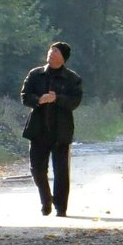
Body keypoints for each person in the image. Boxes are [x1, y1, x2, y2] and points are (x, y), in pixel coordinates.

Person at [21, 41, 83, 217]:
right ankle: (46, 199)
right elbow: (24, 96)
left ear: (63, 58)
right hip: (38, 129)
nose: (51, 53)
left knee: (61, 171)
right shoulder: (35, 74)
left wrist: (56, 99)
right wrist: (39, 100)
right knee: (37, 169)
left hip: (61, 131)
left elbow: (75, 102)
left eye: (56, 52)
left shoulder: (73, 79)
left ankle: (61, 208)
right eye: (50, 50)